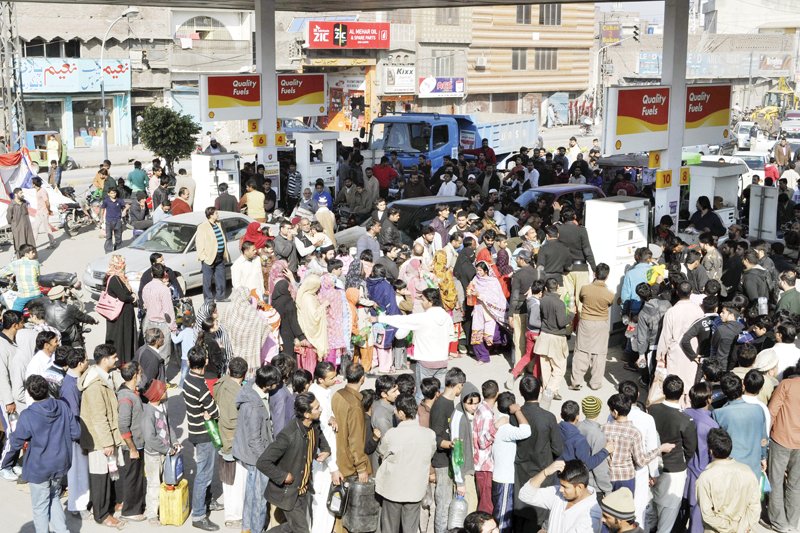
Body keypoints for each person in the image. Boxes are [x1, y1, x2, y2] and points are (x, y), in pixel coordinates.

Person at [1, 374, 79, 533]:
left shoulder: (28, 415)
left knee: (40, 507)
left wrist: (6, 464)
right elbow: (76, 432)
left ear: (29, 393)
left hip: (39, 468)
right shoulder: (62, 406)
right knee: (54, 497)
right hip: (60, 463)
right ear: (47, 389)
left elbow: (15, 443)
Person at [256, 392, 331, 533]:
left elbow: (319, 435)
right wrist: (283, 476)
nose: (320, 410)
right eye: (316, 408)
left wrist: (326, 450)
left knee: (291, 527)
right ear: (307, 414)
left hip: (303, 490)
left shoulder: (314, 424)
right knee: (302, 530)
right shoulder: (287, 435)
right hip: (288, 492)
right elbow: (263, 462)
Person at [78, 344, 125, 528]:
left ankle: (111, 504)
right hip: (99, 440)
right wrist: (107, 442)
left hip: (106, 437)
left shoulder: (105, 377)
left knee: (110, 473)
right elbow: (99, 418)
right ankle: (102, 514)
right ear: (104, 360)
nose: (116, 360)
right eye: (114, 357)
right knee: (100, 478)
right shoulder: (95, 385)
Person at [376, 393, 437, 533]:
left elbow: (382, 451)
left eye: (396, 410)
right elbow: (430, 453)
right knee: (410, 528)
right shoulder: (429, 434)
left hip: (393, 489)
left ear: (401, 413)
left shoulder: (392, 434)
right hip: (415, 489)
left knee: (390, 528)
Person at [378, 288, 453, 398]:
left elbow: (401, 320)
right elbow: (451, 337)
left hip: (426, 361)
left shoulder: (423, 318)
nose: (422, 303)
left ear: (430, 301)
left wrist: (380, 318)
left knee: (422, 394)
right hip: (442, 361)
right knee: (440, 393)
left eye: (423, 299)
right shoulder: (447, 317)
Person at [512, 375, 563, 531]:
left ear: (521, 392)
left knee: (520, 514)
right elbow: (558, 449)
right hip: (542, 472)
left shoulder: (515, 416)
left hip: (520, 471)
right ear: (540, 390)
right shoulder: (548, 417)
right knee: (535, 519)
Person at [648, 376, 698, 533]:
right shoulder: (685, 420)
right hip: (674, 471)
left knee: (650, 512)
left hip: (651, 466)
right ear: (683, 393)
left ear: (663, 390)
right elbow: (690, 449)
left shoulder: (652, 409)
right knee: (667, 520)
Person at [234, 364, 280, 533]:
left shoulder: (252, 388)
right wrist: (266, 461)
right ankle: (255, 529)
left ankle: (246, 527)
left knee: (251, 494)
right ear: (267, 385)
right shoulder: (254, 406)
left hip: (251, 454)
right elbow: (255, 440)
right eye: (275, 384)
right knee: (259, 499)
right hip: (256, 457)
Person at [183, 347, 223, 531]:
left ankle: (207, 501)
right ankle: (199, 514)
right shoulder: (200, 385)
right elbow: (215, 411)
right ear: (204, 363)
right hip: (204, 433)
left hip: (194, 428)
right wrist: (212, 412)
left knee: (203, 471)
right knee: (204, 474)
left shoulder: (188, 379)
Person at [604, 393, 674, 493]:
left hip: (608, 476)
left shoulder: (604, 429)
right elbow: (641, 461)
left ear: (615, 412)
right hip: (626, 478)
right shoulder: (634, 432)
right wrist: (660, 449)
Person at [696, 428, 760, 533]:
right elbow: (755, 506)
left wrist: (729, 528)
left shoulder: (705, 478)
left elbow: (707, 515)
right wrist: (741, 527)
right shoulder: (747, 471)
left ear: (710, 451)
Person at [518, 459, 602, 532]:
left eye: (565, 487)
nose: (561, 489)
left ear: (580, 487)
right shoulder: (558, 494)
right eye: (561, 485)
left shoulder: (592, 516)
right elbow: (525, 495)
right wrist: (545, 472)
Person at [430, 367, 466, 533]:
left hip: (449, 460)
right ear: (457, 385)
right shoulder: (440, 406)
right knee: (443, 505)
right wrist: (449, 444)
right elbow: (435, 437)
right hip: (442, 463)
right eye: (462, 386)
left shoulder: (450, 403)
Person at [712, 373, 767, 480]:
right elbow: (763, 438)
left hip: (730, 469)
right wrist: (763, 457)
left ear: (724, 392)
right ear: (742, 386)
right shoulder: (758, 409)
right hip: (753, 467)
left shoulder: (718, 413)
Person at [570, 263, 614, 391]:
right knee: (599, 354)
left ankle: (576, 382)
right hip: (601, 324)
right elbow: (609, 304)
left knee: (581, 351)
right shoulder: (609, 294)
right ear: (607, 276)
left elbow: (582, 300)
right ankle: (595, 383)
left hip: (586, 322)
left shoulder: (585, 289)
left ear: (595, 274)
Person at [491, 392, 531, 533]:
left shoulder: (497, 424)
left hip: (499, 477)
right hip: (505, 481)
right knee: (503, 521)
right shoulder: (506, 429)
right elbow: (526, 430)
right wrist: (518, 411)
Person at [683, 382, 719, 533]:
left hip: (685, 469)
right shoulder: (712, 425)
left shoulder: (685, 414)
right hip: (701, 473)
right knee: (696, 519)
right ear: (709, 400)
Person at [331, 362, 371, 484]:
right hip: (349, 465)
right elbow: (355, 439)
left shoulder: (337, 394)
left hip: (338, 459)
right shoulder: (355, 405)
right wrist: (361, 468)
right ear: (362, 379)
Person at [116, 362, 146, 522]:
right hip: (132, 445)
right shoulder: (126, 398)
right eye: (140, 373)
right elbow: (123, 425)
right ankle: (130, 511)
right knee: (132, 477)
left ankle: (130, 504)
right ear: (135, 376)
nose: (141, 376)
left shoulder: (129, 391)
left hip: (136, 442)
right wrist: (132, 448)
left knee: (134, 476)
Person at [537, 277, 574, 400]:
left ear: (546, 288)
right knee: (559, 368)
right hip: (557, 338)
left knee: (546, 367)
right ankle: (550, 390)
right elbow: (562, 322)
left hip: (544, 336)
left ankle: (551, 390)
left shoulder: (542, 301)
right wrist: (572, 315)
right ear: (558, 287)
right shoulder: (559, 303)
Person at [103, 254, 137, 364]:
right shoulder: (114, 279)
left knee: (122, 337)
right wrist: (132, 298)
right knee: (120, 338)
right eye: (122, 265)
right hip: (119, 315)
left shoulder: (118, 277)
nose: (123, 267)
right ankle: (121, 361)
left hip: (122, 314)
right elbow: (123, 296)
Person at [141, 263, 176, 362]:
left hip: (149, 323)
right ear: (164, 274)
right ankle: (161, 376)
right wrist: (173, 328)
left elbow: (146, 305)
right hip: (162, 325)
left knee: (151, 352)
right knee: (163, 355)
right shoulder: (164, 290)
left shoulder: (146, 287)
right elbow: (168, 311)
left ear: (152, 274)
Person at [197, 207, 229, 302]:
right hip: (209, 257)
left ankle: (220, 297)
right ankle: (208, 299)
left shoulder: (218, 224)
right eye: (216, 213)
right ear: (210, 215)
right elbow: (199, 243)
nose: (218, 215)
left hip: (219, 256)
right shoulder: (203, 226)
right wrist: (203, 257)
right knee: (207, 281)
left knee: (221, 278)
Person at [0, 244, 41, 312]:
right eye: (32, 252)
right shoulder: (35, 263)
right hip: (37, 293)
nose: (34, 254)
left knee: (14, 312)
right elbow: (37, 276)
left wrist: (7, 276)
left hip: (24, 295)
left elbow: (2, 273)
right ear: (26, 254)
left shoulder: (15, 263)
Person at [6, 188, 35, 255]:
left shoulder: (24, 203)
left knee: (30, 242)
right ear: (16, 194)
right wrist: (15, 225)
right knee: (20, 244)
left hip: (27, 227)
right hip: (18, 229)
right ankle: (21, 261)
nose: (22, 194)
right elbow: (8, 218)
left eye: (22, 193)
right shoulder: (12, 205)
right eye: (20, 193)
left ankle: (32, 260)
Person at [30, 177, 55, 249]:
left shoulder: (42, 191)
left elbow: (47, 202)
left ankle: (52, 243)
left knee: (47, 228)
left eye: (32, 182)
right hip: (39, 212)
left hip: (44, 212)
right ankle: (33, 245)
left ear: (34, 184)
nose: (31, 184)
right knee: (35, 227)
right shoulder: (37, 190)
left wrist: (49, 210)